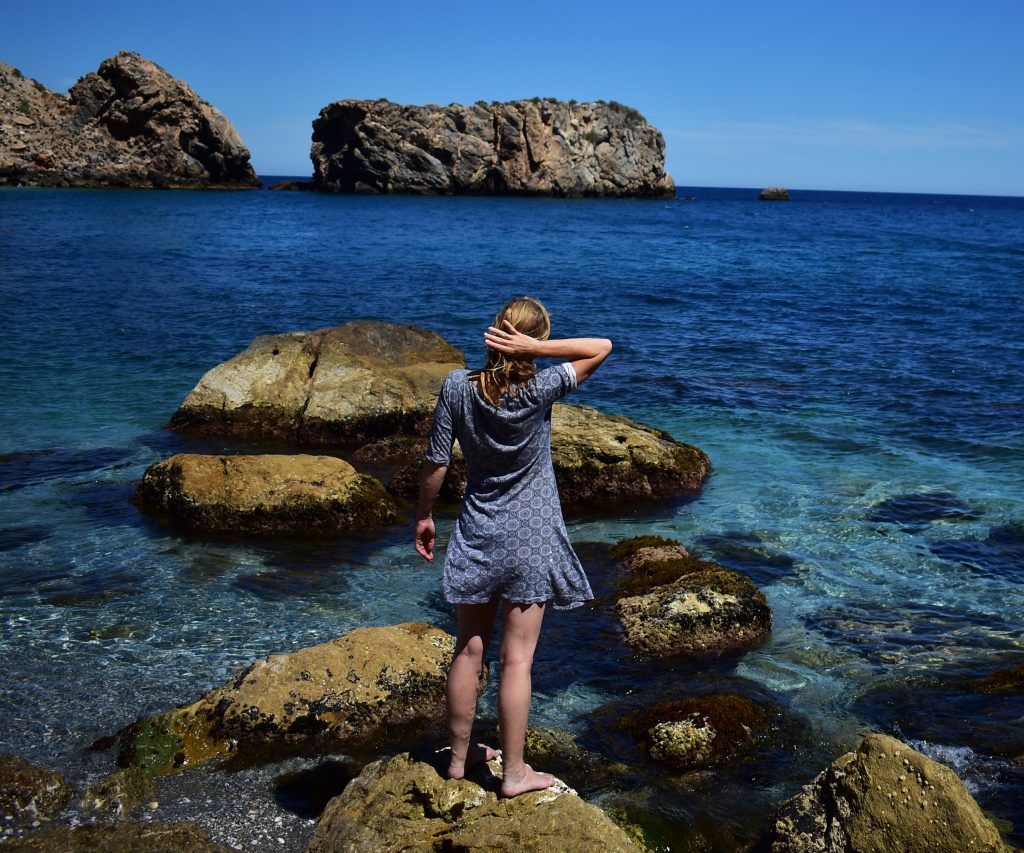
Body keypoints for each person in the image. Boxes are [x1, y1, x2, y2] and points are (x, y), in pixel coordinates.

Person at [414, 296, 612, 797]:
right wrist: (540, 349)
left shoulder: (457, 387)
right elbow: (601, 347)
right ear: (527, 340)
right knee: (518, 659)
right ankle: (515, 773)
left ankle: (459, 760)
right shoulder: (542, 387)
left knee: (470, 648)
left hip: (478, 531)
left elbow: (437, 462)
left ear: (494, 334)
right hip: (531, 537)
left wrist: (423, 516)